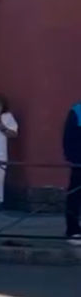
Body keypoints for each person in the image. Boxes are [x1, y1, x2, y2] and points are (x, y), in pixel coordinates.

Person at [63, 98, 81, 244]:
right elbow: (68, 137)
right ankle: (73, 230)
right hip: (79, 163)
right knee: (75, 195)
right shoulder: (77, 111)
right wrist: (74, 158)